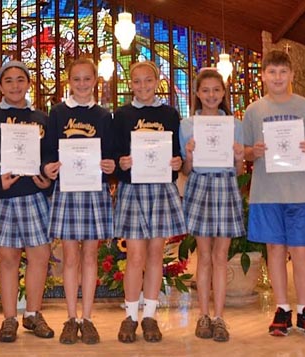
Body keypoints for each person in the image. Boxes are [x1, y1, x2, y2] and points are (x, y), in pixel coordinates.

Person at [0, 60, 55, 343]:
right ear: (0, 86)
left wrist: (47, 177)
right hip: (3, 196)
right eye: (9, 80)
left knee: (40, 257)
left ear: (29, 84)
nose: (15, 85)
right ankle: (9, 318)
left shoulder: (42, 118)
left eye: (21, 80)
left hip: (34, 195)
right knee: (7, 258)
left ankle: (32, 313)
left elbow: (49, 157)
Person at [242, 50, 305, 338]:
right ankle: (281, 308)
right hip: (266, 192)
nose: (277, 77)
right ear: (263, 76)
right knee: (275, 250)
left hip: (298, 190)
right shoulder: (254, 110)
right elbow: (244, 151)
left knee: (301, 249)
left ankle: (304, 309)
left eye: (282, 72)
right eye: (272, 72)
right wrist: (255, 152)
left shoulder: (304, 106)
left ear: (291, 75)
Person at [41, 58, 114, 345]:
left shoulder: (103, 115)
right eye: (77, 79)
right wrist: (48, 167)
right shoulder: (57, 113)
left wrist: (110, 167)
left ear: (95, 80)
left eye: (87, 79)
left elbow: (110, 153)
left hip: (94, 190)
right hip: (68, 189)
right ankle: (71, 318)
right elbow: (48, 151)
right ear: (68, 82)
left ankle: (88, 318)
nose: (82, 84)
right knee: (70, 257)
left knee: (90, 256)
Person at [112, 60, 185, 343]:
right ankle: (130, 315)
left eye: (148, 80)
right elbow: (116, 156)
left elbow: (176, 155)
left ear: (157, 82)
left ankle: (151, 316)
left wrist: (177, 162)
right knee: (135, 256)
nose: (143, 86)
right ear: (130, 84)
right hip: (132, 190)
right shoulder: (122, 115)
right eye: (137, 81)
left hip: (161, 190)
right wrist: (123, 162)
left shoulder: (169, 114)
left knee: (156, 255)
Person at [179, 68, 245, 342]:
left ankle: (220, 317)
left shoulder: (235, 125)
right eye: (205, 90)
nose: (210, 95)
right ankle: (203, 315)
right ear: (197, 93)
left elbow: (239, 171)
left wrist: (240, 157)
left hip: (226, 186)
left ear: (223, 93)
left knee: (221, 256)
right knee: (204, 256)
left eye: (216, 90)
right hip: (200, 185)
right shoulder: (187, 125)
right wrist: (191, 155)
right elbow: (184, 169)